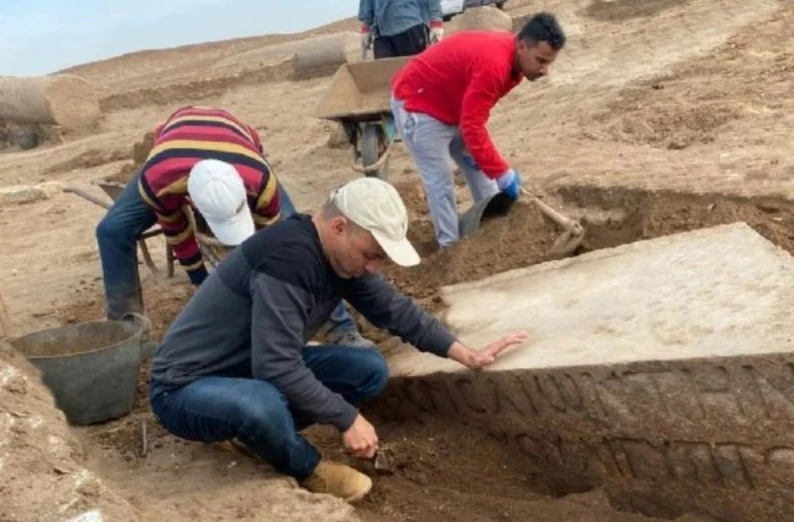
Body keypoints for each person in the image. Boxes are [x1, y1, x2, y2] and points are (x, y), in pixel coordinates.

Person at [148, 177, 527, 502]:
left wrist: (465, 353)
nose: (373, 267)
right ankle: (307, 467)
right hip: (185, 389)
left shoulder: (340, 257)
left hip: (247, 371)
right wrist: (347, 419)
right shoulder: (288, 260)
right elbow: (275, 365)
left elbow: (394, 310)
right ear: (339, 227)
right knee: (261, 404)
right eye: (370, 254)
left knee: (368, 369)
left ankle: (255, 436)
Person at [95, 105, 375, 348]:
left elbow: (281, 243)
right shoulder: (159, 182)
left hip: (237, 144)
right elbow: (178, 234)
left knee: (300, 236)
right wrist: (206, 285)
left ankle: (342, 329)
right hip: (172, 153)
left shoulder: (261, 181)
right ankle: (128, 335)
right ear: (190, 200)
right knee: (110, 231)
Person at [389, 12, 566, 248]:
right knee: (440, 179)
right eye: (541, 61)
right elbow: (473, 126)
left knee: (483, 172)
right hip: (417, 103)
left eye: (549, 63)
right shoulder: (495, 65)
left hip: (452, 106)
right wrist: (503, 172)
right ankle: (450, 249)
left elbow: (475, 117)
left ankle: (494, 233)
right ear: (522, 46)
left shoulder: (516, 66)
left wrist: (487, 162)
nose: (545, 71)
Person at [358, 0, 444, 59]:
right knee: (384, 77)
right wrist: (366, 26)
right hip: (381, 33)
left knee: (414, 74)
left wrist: (435, 21)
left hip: (410, 26)